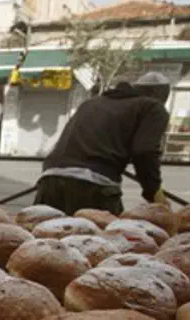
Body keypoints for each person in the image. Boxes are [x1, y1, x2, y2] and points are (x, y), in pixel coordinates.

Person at [35, 72, 172, 215]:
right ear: (160, 93)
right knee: (106, 234)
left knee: (47, 233)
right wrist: (154, 191)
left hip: (50, 179)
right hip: (93, 185)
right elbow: (145, 151)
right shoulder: (153, 107)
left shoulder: (92, 103)